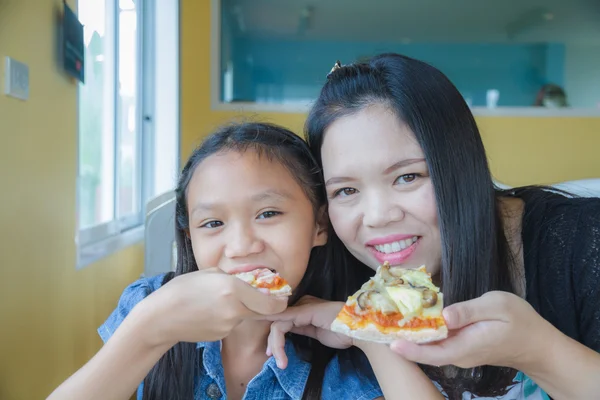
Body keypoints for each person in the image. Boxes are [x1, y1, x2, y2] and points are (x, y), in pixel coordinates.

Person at [266, 54, 600, 400]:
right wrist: (368, 331)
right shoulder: (332, 288)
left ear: (460, 166)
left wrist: (537, 351)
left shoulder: (583, 241)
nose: (378, 216)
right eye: (346, 190)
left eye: (407, 177)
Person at [46, 122, 443, 400]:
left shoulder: (350, 349)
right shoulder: (150, 302)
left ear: (319, 224)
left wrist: (364, 335)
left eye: (268, 214)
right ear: (191, 238)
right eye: (213, 223)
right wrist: (150, 327)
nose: (240, 246)